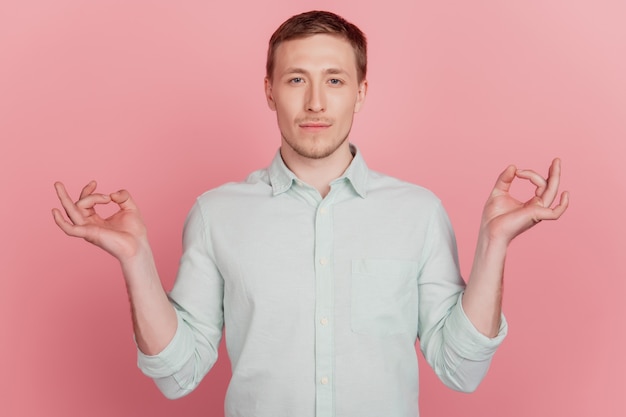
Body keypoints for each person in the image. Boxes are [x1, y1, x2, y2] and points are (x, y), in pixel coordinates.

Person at [52, 10, 569, 417]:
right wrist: (136, 258)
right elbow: (177, 374)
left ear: (361, 93)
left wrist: (493, 243)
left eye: (336, 81)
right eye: (297, 80)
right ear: (269, 91)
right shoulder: (216, 214)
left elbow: (462, 370)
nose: (316, 102)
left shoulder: (418, 212)